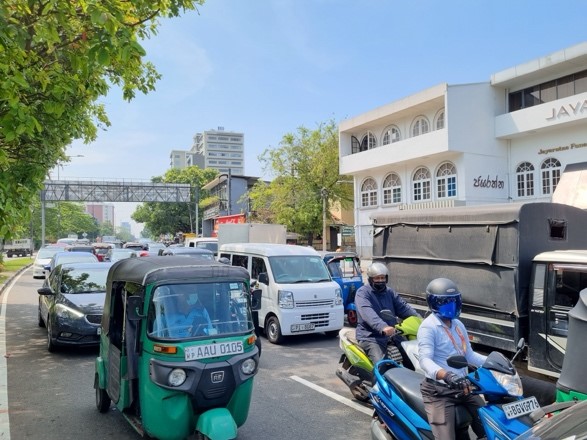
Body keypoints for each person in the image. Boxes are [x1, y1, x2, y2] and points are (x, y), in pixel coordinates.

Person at [418, 278, 487, 440]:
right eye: (445, 302)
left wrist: (496, 363)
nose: (451, 306)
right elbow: (425, 360)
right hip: (439, 392)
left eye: (453, 301)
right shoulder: (428, 326)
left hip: (463, 387)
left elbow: (469, 355)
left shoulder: (457, 324)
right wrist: (447, 375)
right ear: (433, 303)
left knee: (491, 425)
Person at [355, 262, 420, 369]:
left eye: (383, 278)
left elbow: (404, 308)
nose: (380, 281)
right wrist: (382, 327)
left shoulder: (390, 292)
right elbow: (368, 313)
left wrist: (421, 320)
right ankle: (377, 385)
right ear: (371, 279)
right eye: (377, 278)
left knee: (413, 359)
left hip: (393, 334)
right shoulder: (362, 293)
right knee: (381, 367)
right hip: (371, 336)